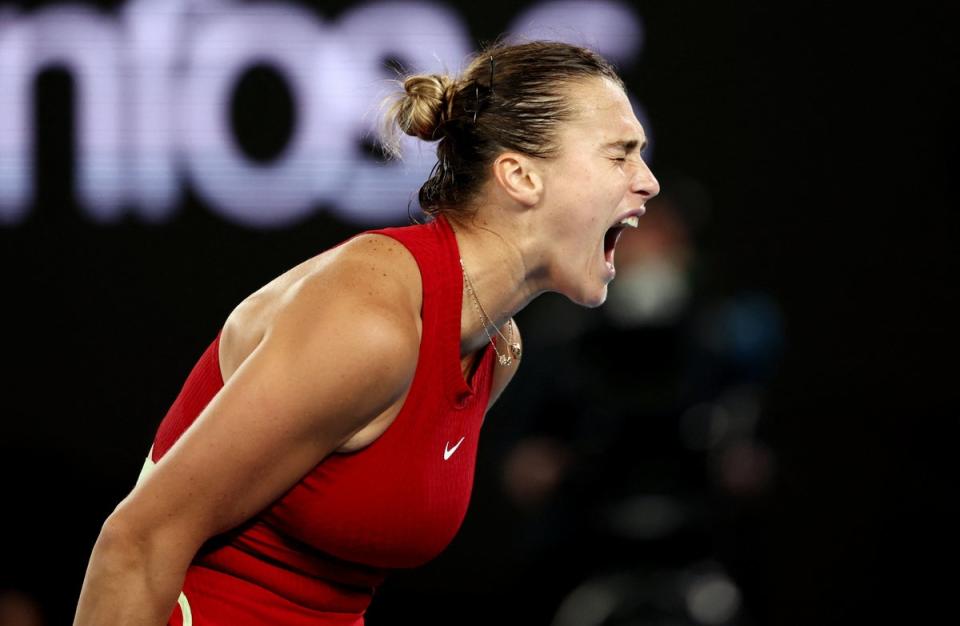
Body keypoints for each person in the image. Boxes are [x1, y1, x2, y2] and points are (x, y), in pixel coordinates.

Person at [73, 39, 660, 626]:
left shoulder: (496, 347)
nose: (648, 182)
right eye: (620, 155)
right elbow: (135, 544)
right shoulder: (369, 323)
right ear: (520, 175)